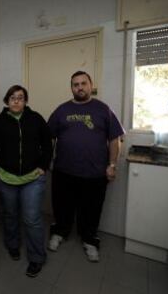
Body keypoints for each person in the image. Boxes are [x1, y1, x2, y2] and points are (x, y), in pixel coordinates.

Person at [47, 71, 125, 262]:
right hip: (64, 170)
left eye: (83, 83)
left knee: (91, 208)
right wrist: (48, 160)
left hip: (95, 173)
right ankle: (60, 232)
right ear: (71, 88)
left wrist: (112, 165)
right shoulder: (61, 110)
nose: (80, 87)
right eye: (75, 84)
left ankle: (90, 240)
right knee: (61, 205)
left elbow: (115, 139)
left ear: (91, 85)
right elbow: (49, 137)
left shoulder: (103, 109)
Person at [0, 85, 52, 277]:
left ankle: (37, 258)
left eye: (20, 97)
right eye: (12, 97)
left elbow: (48, 143)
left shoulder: (36, 119)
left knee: (31, 219)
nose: (16, 101)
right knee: (11, 215)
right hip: (6, 178)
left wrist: (43, 166)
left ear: (25, 101)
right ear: (7, 101)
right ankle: (13, 245)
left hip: (33, 178)